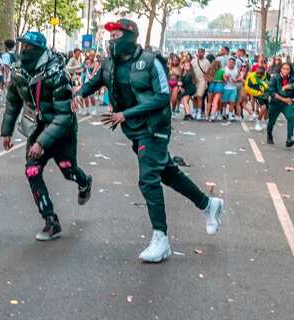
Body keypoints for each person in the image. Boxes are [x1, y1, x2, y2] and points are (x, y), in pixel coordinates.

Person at [75, 19, 224, 263]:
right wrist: (78, 94)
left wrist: (125, 114)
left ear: (130, 36)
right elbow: (94, 83)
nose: (112, 39)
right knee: (167, 173)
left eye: (116, 35)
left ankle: (161, 238)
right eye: (110, 36)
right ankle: (209, 205)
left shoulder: (151, 62)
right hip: (134, 130)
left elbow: (163, 97)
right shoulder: (109, 63)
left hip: (154, 127)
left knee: (148, 179)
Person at [1, 31, 92, 241]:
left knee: (68, 170)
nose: (23, 51)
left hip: (62, 131)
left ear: (39, 50)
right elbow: (13, 102)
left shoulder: (57, 74)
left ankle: (84, 181)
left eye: (29, 48)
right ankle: (51, 220)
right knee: (32, 170)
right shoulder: (18, 72)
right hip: (37, 127)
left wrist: (42, 142)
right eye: (22, 46)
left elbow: (64, 116)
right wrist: (7, 131)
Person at [266, 62, 294, 146]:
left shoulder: (292, 78)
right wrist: (284, 99)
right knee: (271, 122)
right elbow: (271, 92)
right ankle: (269, 134)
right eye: (284, 68)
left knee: (291, 117)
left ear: (290, 70)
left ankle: (289, 139)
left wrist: (289, 86)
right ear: (280, 69)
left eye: (287, 69)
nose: (285, 70)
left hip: (287, 104)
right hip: (275, 103)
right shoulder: (274, 78)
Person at [245, 63, 269, 131]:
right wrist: (257, 93)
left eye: (261, 74)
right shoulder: (251, 76)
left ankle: (265, 123)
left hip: (265, 94)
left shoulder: (266, 75)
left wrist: (268, 92)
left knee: (267, 109)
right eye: (258, 74)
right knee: (263, 108)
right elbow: (247, 87)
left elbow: (269, 83)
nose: (259, 75)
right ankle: (258, 123)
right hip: (257, 95)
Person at [191, 48, 210, 120]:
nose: (200, 54)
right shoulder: (193, 61)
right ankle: (194, 111)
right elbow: (190, 70)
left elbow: (208, 72)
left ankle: (199, 112)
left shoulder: (207, 62)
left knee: (199, 96)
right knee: (193, 97)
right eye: (199, 52)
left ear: (204, 53)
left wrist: (206, 80)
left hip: (202, 81)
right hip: (193, 81)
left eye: (201, 52)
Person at [221, 57, 241, 122]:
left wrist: (236, 80)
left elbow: (239, 76)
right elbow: (222, 79)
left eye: (232, 63)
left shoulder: (236, 69)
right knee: (224, 102)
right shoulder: (225, 69)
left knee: (232, 102)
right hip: (225, 88)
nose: (231, 63)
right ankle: (224, 113)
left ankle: (230, 115)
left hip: (233, 88)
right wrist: (225, 78)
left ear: (234, 64)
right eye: (229, 62)